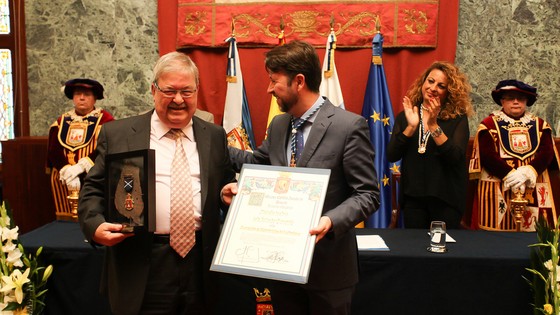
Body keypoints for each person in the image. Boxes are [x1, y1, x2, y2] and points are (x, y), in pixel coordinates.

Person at [226, 40, 380, 315]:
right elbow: (256, 163)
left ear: (298, 81)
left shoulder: (348, 126)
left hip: (329, 271)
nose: (269, 89)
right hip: (283, 268)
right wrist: (211, 143)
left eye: (274, 81)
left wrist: (330, 220)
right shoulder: (279, 124)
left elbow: (367, 194)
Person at [78, 51, 237, 315]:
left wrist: (225, 193)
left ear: (196, 92)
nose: (178, 100)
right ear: (153, 90)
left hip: (200, 265)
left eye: (186, 91)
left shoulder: (214, 135)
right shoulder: (119, 134)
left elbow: (223, 184)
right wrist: (94, 226)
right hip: (142, 263)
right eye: (169, 91)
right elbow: (93, 189)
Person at [387, 61, 474, 229]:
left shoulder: (457, 118)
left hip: (446, 200)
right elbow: (392, 155)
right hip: (413, 200)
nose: (433, 88)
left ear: (449, 92)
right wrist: (411, 127)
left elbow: (455, 158)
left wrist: (434, 125)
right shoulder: (406, 116)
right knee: (416, 251)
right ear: (423, 82)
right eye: (430, 81)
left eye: (441, 86)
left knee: (442, 252)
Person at [469, 79, 559, 231]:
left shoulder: (540, 125)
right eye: (510, 98)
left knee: (536, 236)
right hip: (499, 186)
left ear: (527, 101)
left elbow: (547, 153)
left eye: (521, 98)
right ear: (502, 101)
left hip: (533, 186)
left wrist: (529, 171)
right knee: (497, 239)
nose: (516, 102)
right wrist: (510, 175)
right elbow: (487, 155)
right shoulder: (488, 125)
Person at [46, 78, 114, 218]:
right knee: (66, 221)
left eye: (87, 94)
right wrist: (66, 169)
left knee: (93, 218)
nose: (82, 98)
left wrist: (82, 166)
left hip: (95, 177)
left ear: (95, 98)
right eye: (78, 94)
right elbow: (53, 150)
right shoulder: (61, 122)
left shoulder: (106, 121)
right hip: (65, 179)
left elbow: (108, 147)